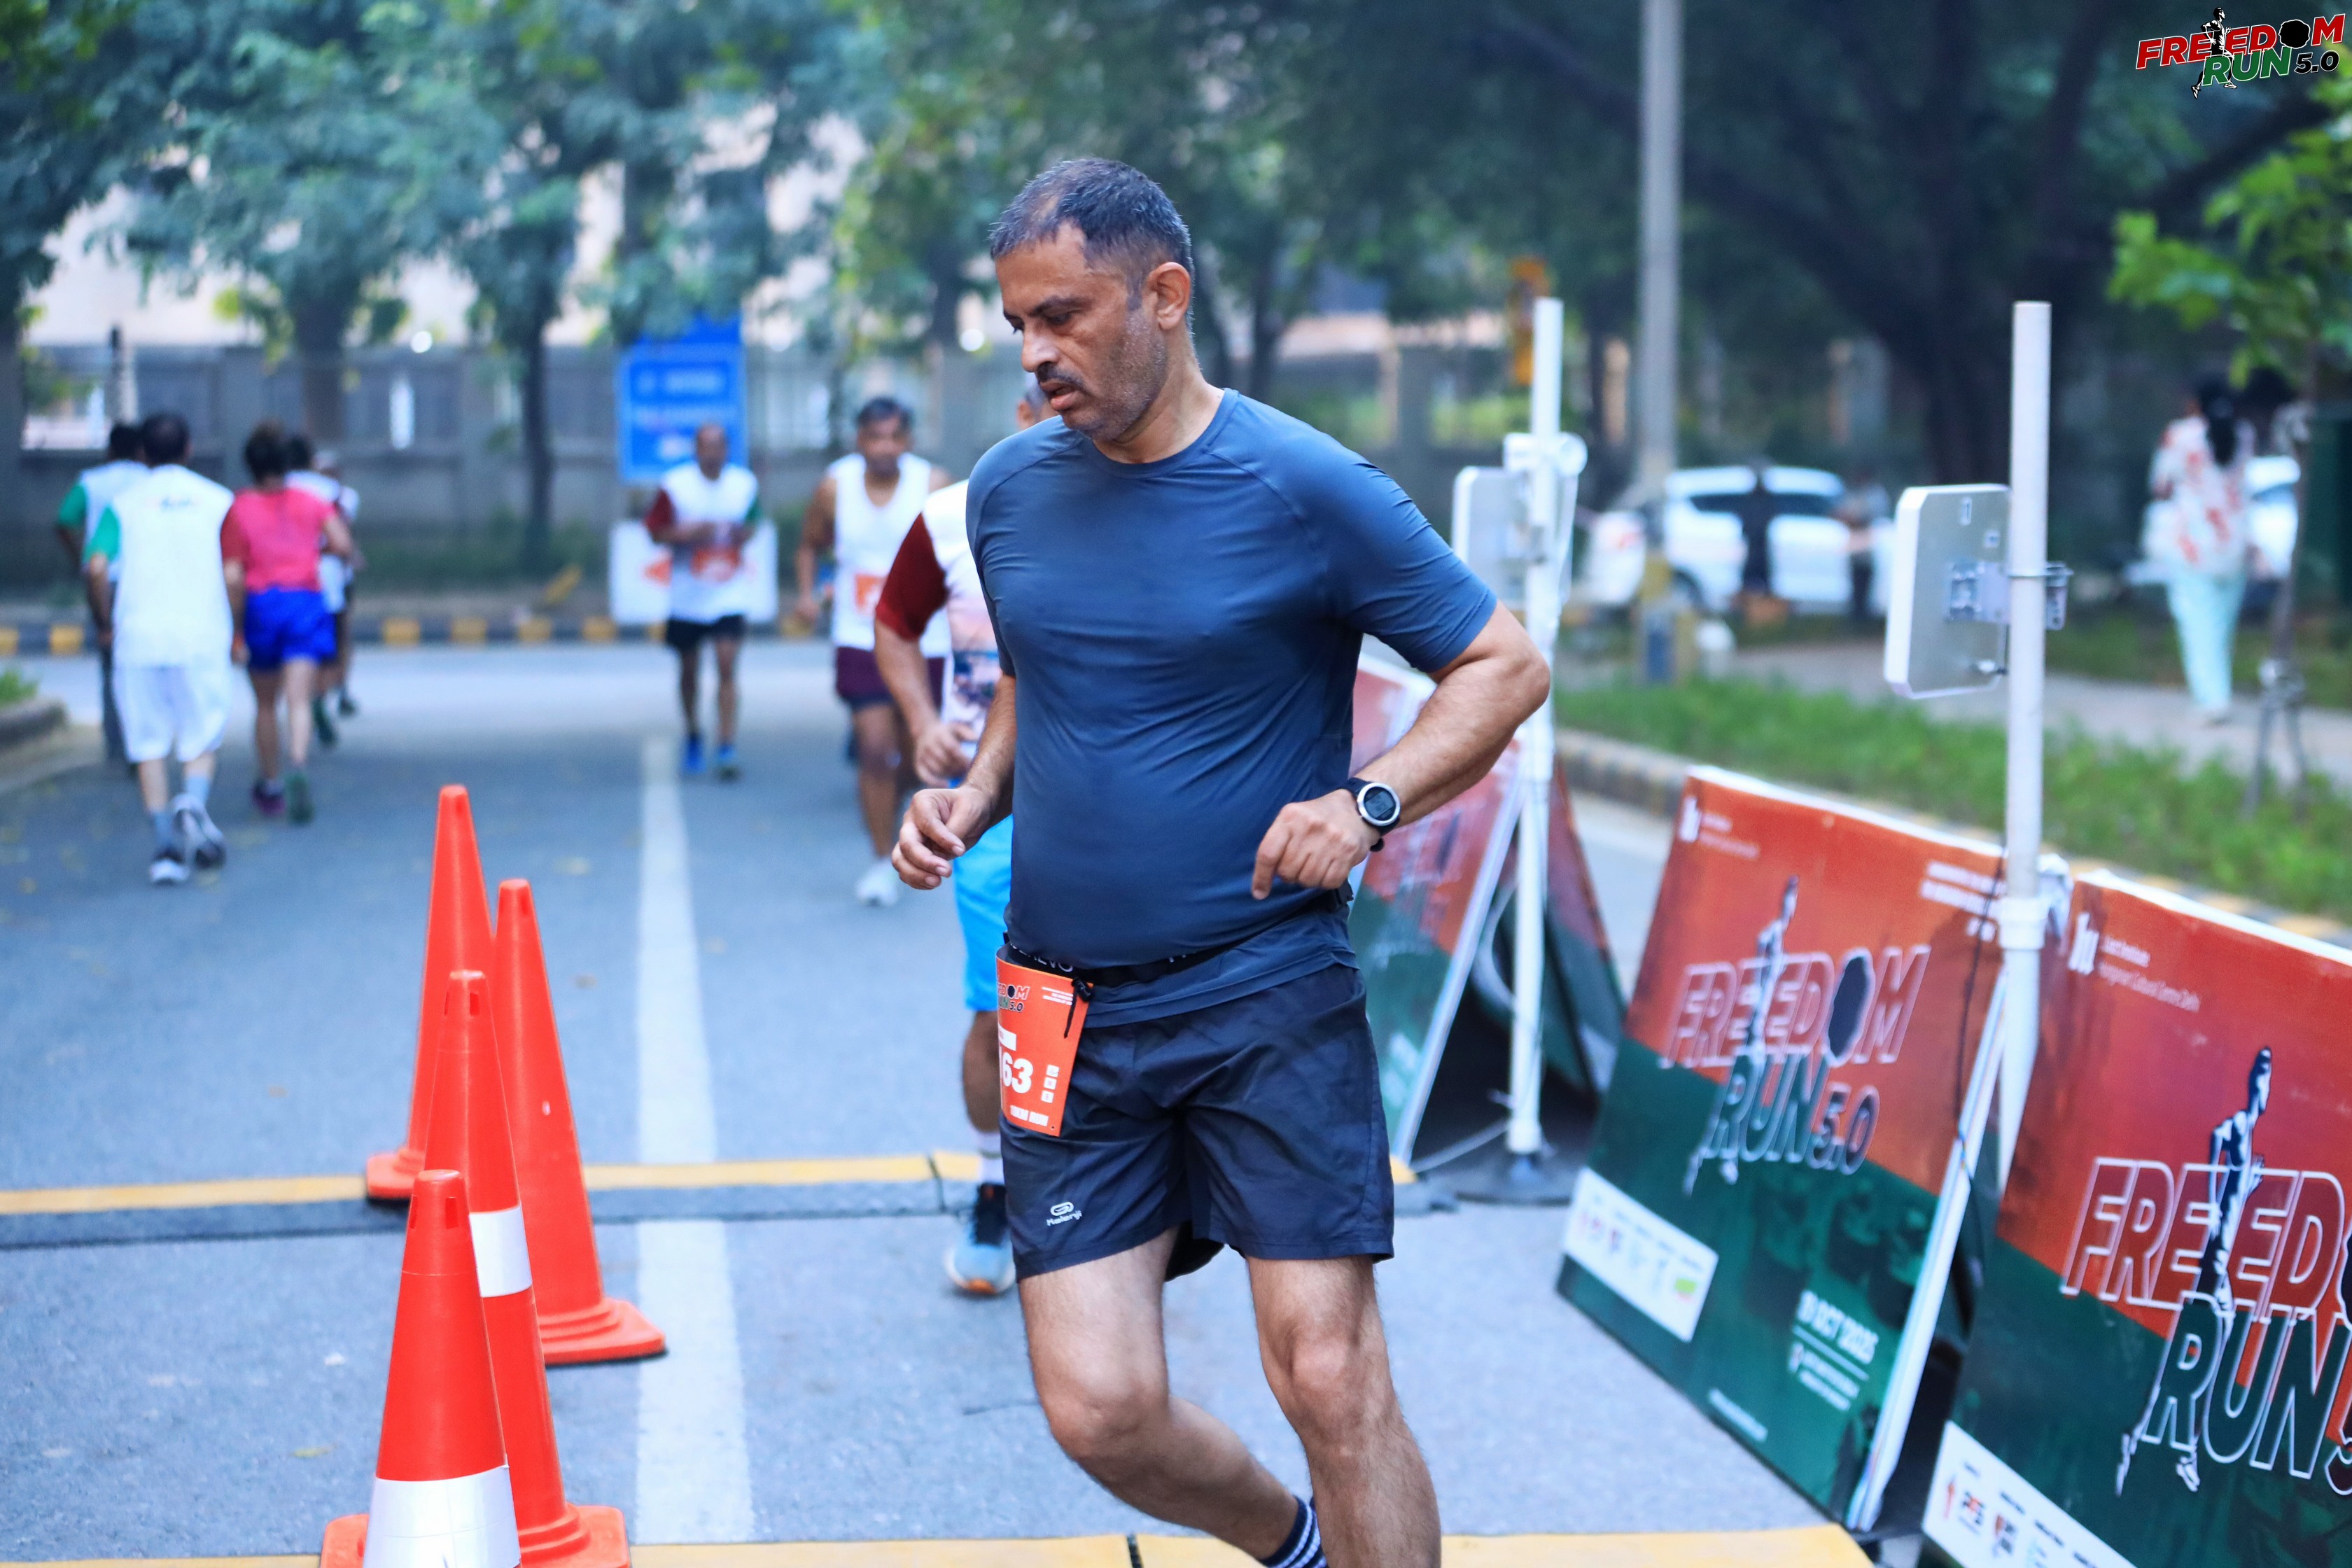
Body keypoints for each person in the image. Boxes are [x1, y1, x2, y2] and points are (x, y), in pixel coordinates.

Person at [893, 160, 1549, 1568]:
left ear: (1164, 296)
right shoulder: (1005, 494)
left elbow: (1503, 664)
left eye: (1062, 316)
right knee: (1101, 1408)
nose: (1033, 353)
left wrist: (1368, 801)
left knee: (1327, 1371)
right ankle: (1291, 1546)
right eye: (1017, 324)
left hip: (1262, 990)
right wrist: (967, 798)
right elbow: (1039, 679)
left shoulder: (1305, 483)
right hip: (1066, 1008)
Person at [874, 379, 1051, 1296]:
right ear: (1023, 414)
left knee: (1110, 1008)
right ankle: (993, 1184)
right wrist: (920, 723)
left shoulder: (1148, 499)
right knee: (1005, 1008)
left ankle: (1092, 1191)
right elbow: (894, 623)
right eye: (1049, 405)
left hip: (1114, 808)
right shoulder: (955, 515)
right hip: (989, 808)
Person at [797, 398, 953, 905]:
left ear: (908, 441)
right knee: (873, 749)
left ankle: (903, 817)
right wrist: (807, 593)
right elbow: (810, 543)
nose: (884, 447)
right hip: (860, 636)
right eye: (874, 437)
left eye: (894, 437)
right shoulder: (835, 487)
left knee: (917, 757)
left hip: (924, 640)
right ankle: (881, 860)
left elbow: (962, 552)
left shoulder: (932, 485)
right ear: (859, 440)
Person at [79, 412, 234, 885]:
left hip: (138, 639)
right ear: (189, 449)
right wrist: (238, 625)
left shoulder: (124, 505)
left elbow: (96, 567)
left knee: (147, 743)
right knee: (200, 736)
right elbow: (234, 573)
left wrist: (105, 620)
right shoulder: (219, 502)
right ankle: (194, 803)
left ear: (143, 453)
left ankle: (165, 848)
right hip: (201, 635)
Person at [222, 421, 353, 823]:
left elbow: (232, 575)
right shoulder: (312, 501)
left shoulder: (237, 507)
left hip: (262, 605)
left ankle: (272, 783)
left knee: (265, 704)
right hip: (305, 603)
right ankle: (298, 761)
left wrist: (236, 630)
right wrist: (314, 551)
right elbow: (343, 544)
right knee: (299, 699)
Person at [644, 422, 764, 780]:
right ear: (695, 450)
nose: (712, 454)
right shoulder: (676, 486)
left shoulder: (743, 485)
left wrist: (740, 534)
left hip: (728, 592)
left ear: (727, 450)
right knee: (689, 669)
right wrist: (688, 533)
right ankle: (693, 732)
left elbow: (754, 524)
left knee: (727, 666)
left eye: (718, 447)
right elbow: (654, 531)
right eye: (705, 447)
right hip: (688, 596)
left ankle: (726, 743)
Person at [2147, 374, 2253, 723]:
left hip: (2193, 544)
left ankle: (2212, 699)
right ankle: (2218, 692)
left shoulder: (2179, 435)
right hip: (2234, 542)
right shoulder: (2244, 433)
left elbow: (2161, 486)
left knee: (2197, 624)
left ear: (2195, 402)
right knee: (2221, 625)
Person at [56, 421, 147, 766]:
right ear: (141, 451)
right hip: (141, 581)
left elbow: (64, 520)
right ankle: (144, 738)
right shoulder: (150, 482)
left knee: (110, 663)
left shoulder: (91, 482)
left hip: (102, 580)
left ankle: (116, 743)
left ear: (109, 450)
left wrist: (80, 555)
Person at [286, 437, 363, 741]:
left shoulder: (274, 490)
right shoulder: (334, 492)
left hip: (284, 581)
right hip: (328, 579)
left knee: (293, 650)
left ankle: (301, 702)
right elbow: (342, 538)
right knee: (331, 643)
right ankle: (321, 696)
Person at [1835, 467, 1888, 624]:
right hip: (1854, 541)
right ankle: (1857, 612)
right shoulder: (1855, 493)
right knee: (1855, 576)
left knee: (1866, 575)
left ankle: (1864, 613)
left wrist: (1855, 518)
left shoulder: (1875, 494)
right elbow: (1843, 513)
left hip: (1867, 541)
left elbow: (1866, 516)